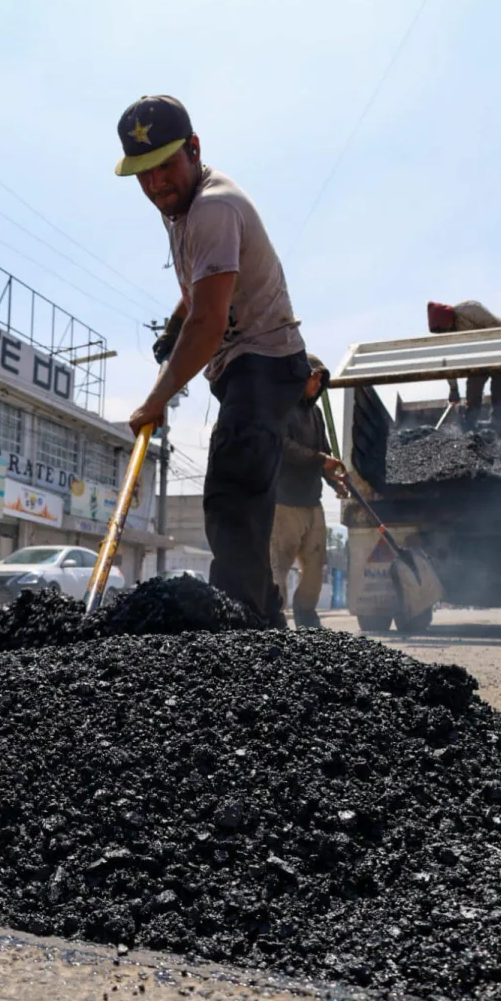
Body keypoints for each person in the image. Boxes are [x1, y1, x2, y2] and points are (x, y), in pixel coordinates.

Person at [118, 95, 311, 626]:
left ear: (194, 150)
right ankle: (266, 624)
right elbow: (200, 293)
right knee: (244, 494)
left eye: (165, 167)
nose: (156, 184)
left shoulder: (212, 207)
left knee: (232, 490)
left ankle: (236, 632)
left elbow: (209, 322)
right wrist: (175, 323)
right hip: (242, 366)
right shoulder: (180, 207)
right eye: (143, 174)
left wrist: (155, 399)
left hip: (265, 360)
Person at [270, 356, 347, 629]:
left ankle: (306, 614)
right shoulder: (280, 409)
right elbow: (285, 447)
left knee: (315, 564)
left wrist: (333, 480)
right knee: (279, 564)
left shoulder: (315, 414)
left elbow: (322, 453)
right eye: (312, 377)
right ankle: (275, 617)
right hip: (285, 503)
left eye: (319, 379)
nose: (316, 382)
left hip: (312, 503)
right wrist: (319, 460)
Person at [427, 300, 501, 428]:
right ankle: (470, 421)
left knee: (499, 384)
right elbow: (448, 363)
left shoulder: (470, 310)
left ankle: (498, 422)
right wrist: (453, 389)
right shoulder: (446, 334)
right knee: (473, 385)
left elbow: (494, 328)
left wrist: (484, 353)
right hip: (479, 356)